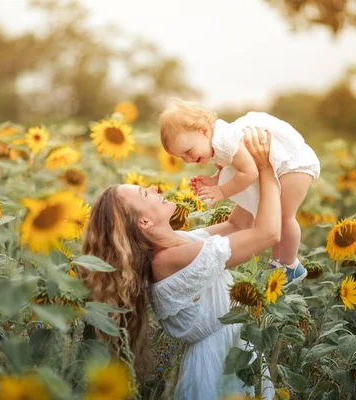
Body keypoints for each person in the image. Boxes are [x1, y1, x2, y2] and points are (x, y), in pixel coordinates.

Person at [80, 129, 281, 399]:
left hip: (232, 348)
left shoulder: (179, 243)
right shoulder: (168, 260)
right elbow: (267, 234)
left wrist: (246, 167)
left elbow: (239, 224)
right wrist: (267, 169)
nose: (153, 188)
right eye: (144, 193)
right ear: (145, 223)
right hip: (218, 363)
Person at [159, 99, 321, 286]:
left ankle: (288, 264)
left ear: (204, 131)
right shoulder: (212, 145)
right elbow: (231, 168)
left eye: (188, 151)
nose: (188, 159)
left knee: (283, 216)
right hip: (277, 167)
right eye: (181, 157)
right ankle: (279, 263)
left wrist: (221, 191)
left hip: (293, 164)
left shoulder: (225, 140)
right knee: (272, 216)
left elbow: (249, 172)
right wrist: (214, 180)